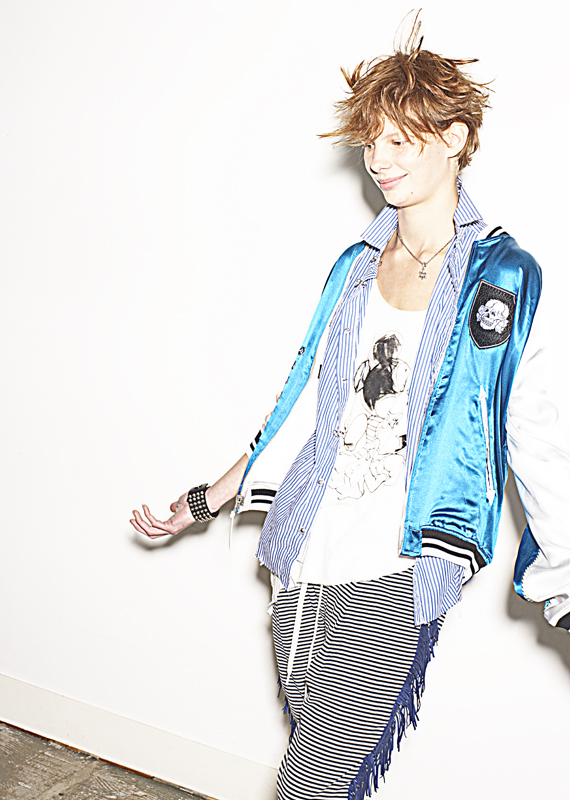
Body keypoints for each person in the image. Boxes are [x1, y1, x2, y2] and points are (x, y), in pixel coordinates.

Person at [130, 21, 570, 800]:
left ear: (455, 138)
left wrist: (565, 581)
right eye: (372, 142)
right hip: (301, 549)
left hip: (400, 564)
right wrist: (202, 501)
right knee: (319, 760)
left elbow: (536, 429)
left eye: (401, 140)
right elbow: (301, 405)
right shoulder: (357, 267)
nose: (380, 159)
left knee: (310, 784)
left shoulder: (503, 277)